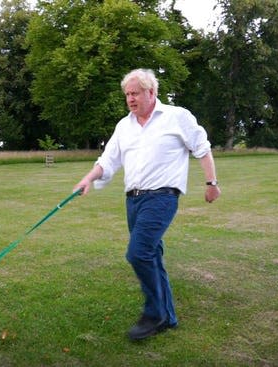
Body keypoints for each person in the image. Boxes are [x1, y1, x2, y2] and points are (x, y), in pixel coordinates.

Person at [73, 68, 221, 341]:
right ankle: (169, 318)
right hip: (134, 201)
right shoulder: (124, 126)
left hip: (162, 197)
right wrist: (88, 179)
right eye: (127, 94)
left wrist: (211, 183)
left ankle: (154, 314)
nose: (130, 99)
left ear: (151, 92)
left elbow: (202, 148)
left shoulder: (177, 117)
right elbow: (108, 160)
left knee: (138, 253)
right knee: (152, 256)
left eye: (135, 93)